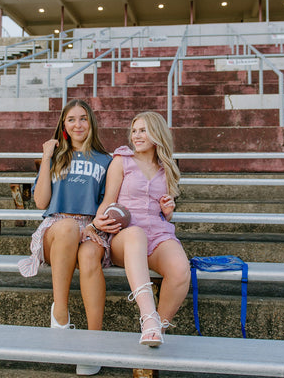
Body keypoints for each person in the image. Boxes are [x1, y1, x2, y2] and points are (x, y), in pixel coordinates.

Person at [18, 99, 118, 376]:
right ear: (64, 125)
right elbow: (40, 202)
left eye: (83, 118)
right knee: (66, 228)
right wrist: (47, 156)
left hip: (90, 226)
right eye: (71, 119)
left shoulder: (105, 160)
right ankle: (60, 313)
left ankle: (93, 344)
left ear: (91, 123)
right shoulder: (56, 157)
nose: (78, 124)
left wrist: (95, 226)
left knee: (88, 257)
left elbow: (107, 200)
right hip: (57, 228)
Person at [91, 111, 190, 346]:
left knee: (180, 270)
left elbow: (165, 208)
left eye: (143, 130)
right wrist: (96, 222)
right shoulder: (121, 161)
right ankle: (148, 317)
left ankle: (156, 331)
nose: (136, 135)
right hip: (124, 236)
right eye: (134, 131)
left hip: (157, 233)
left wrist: (168, 210)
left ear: (157, 134)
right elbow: (108, 200)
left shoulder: (166, 168)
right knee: (135, 234)